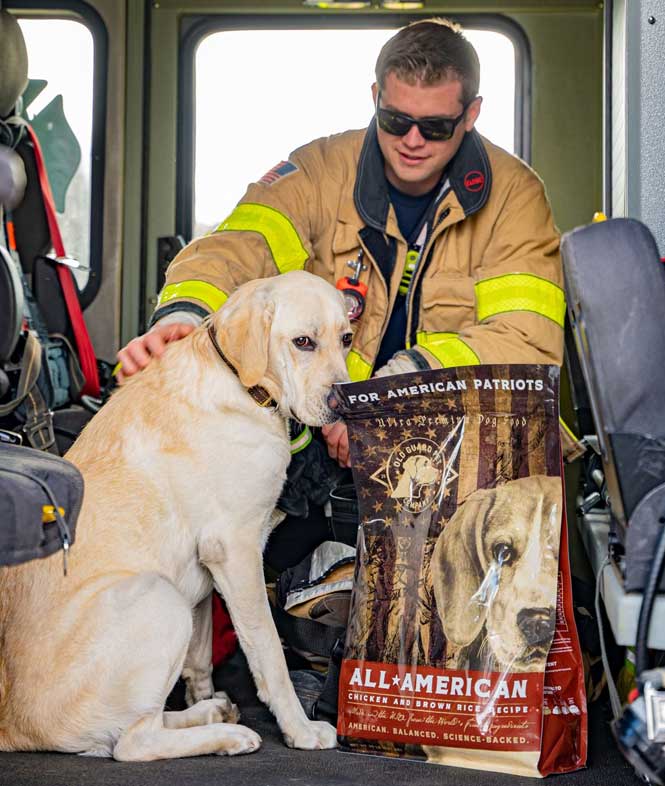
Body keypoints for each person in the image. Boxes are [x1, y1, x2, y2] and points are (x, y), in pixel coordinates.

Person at [117, 17, 564, 568]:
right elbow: (239, 246)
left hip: (447, 436)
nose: (413, 141)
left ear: (471, 114)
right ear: (375, 98)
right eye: (395, 120)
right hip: (319, 430)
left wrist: (387, 397)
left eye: (437, 126)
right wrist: (184, 316)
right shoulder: (317, 171)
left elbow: (528, 341)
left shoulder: (515, 197)